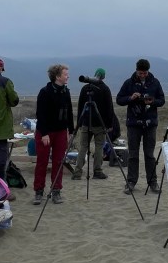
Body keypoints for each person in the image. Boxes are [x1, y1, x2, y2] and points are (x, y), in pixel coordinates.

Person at [116, 59, 165, 194]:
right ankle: (131, 182)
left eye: (144, 73)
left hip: (150, 124)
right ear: (136, 70)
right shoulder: (129, 82)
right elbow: (119, 99)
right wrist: (130, 98)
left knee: (149, 154)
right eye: (140, 73)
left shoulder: (155, 82)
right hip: (133, 124)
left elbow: (162, 100)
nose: (142, 75)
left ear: (148, 71)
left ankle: (152, 182)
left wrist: (152, 101)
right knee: (133, 154)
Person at [33, 64, 74, 205]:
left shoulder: (66, 92)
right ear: (57, 76)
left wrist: (70, 130)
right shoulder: (45, 92)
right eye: (65, 74)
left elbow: (69, 112)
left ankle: (56, 191)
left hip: (61, 131)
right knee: (42, 162)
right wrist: (44, 134)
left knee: (59, 162)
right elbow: (40, 114)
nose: (68, 76)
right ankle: (39, 191)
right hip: (45, 132)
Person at [72, 68, 114, 181]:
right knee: (99, 146)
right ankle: (97, 171)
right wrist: (109, 124)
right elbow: (109, 108)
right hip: (100, 124)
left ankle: (77, 172)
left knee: (83, 147)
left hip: (86, 123)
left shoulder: (85, 88)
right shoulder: (105, 89)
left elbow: (80, 106)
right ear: (103, 77)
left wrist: (79, 123)